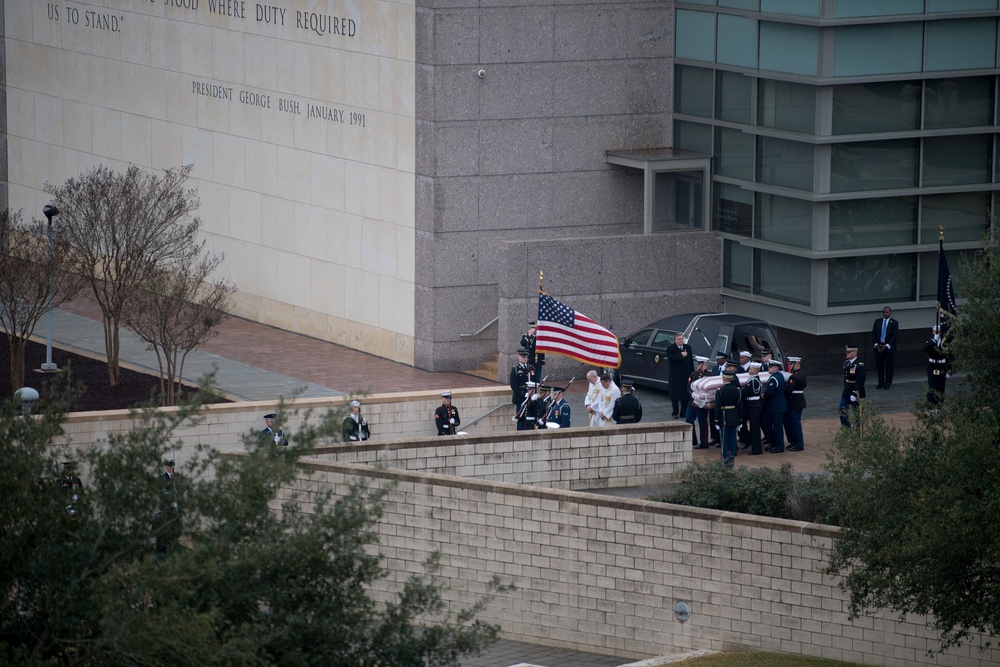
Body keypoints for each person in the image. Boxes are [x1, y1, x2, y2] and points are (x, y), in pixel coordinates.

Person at [714, 368, 742, 468]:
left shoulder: (720, 391)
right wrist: (740, 420)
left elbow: (717, 408)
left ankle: (725, 462)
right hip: (734, 416)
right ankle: (732, 461)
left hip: (724, 416)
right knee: (732, 439)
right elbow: (739, 406)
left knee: (724, 440)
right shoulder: (737, 390)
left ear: (724, 378)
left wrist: (716, 421)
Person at [665, 333, 694, 419]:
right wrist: (681, 355)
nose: (681, 341)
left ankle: (683, 412)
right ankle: (675, 412)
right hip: (675, 375)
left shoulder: (687, 347)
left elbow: (690, 361)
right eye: (679, 339)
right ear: (675, 340)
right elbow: (671, 360)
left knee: (685, 394)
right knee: (675, 395)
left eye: (682, 339)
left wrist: (692, 374)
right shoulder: (670, 349)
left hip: (685, 375)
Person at [871, 306, 899, 389]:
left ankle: (888, 383)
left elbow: (894, 336)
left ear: (890, 313)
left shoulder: (894, 323)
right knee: (879, 366)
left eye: (887, 312)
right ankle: (881, 382)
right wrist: (876, 344)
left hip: (888, 347)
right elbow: (873, 334)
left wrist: (887, 346)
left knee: (889, 366)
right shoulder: (877, 322)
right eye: (884, 312)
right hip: (879, 346)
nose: (885, 313)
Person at [763, 359, 787, 453]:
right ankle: (774, 443)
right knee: (769, 424)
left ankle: (779, 446)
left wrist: (763, 396)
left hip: (776, 406)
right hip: (776, 406)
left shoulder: (774, 378)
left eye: (770, 366)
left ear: (776, 367)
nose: (768, 368)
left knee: (777, 427)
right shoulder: (778, 376)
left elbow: (769, 392)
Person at [839, 345, 867, 428]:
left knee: (857, 414)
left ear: (854, 353)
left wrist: (855, 393)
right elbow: (846, 379)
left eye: (849, 352)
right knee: (842, 410)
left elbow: (861, 380)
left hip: (856, 393)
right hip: (846, 391)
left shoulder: (859, 365)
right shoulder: (846, 363)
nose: (846, 354)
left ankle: (859, 434)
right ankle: (847, 430)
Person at [783, 356, 807, 451]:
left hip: (794, 401)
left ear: (795, 364)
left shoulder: (795, 376)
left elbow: (789, 390)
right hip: (797, 400)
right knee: (791, 422)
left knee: (795, 423)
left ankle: (799, 444)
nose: (789, 366)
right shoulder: (802, 374)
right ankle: (794, 441)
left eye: (790, 364)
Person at [740, 362, 764, 455]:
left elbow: (748, 391)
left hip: (753, 405)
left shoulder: (754, 381)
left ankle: (756, 449)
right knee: (741, 422)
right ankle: (748, 439)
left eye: (750, 369)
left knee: (754, 427)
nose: (749, 370)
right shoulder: (752, 380)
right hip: (750, 404)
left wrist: (740, 394)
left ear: (754, 370)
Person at [688, 356, 711, 449]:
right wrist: (693, 394)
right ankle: (693, 440)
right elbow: (688, 386)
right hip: (693, 402)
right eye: (697, 363)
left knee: (702, 422)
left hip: (702, 403)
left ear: (704, 364)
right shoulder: (693, 374)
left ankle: (704, 443)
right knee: (689, 420)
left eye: (699, 364)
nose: (697, 365)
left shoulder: (710, 375)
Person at [924, 325, 949, 405]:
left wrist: (949, 369)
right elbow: (926, 349)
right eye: (935, 332)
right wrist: (934, 340)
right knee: (932, 387)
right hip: (932, 366)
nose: (937, 333)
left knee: (941, 387)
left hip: (941, 366)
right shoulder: (930, 342)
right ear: (933, 332)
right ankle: (931, 405)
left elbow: (950, 355)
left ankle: (939, 406)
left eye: (938, 332)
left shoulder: (945, 343)